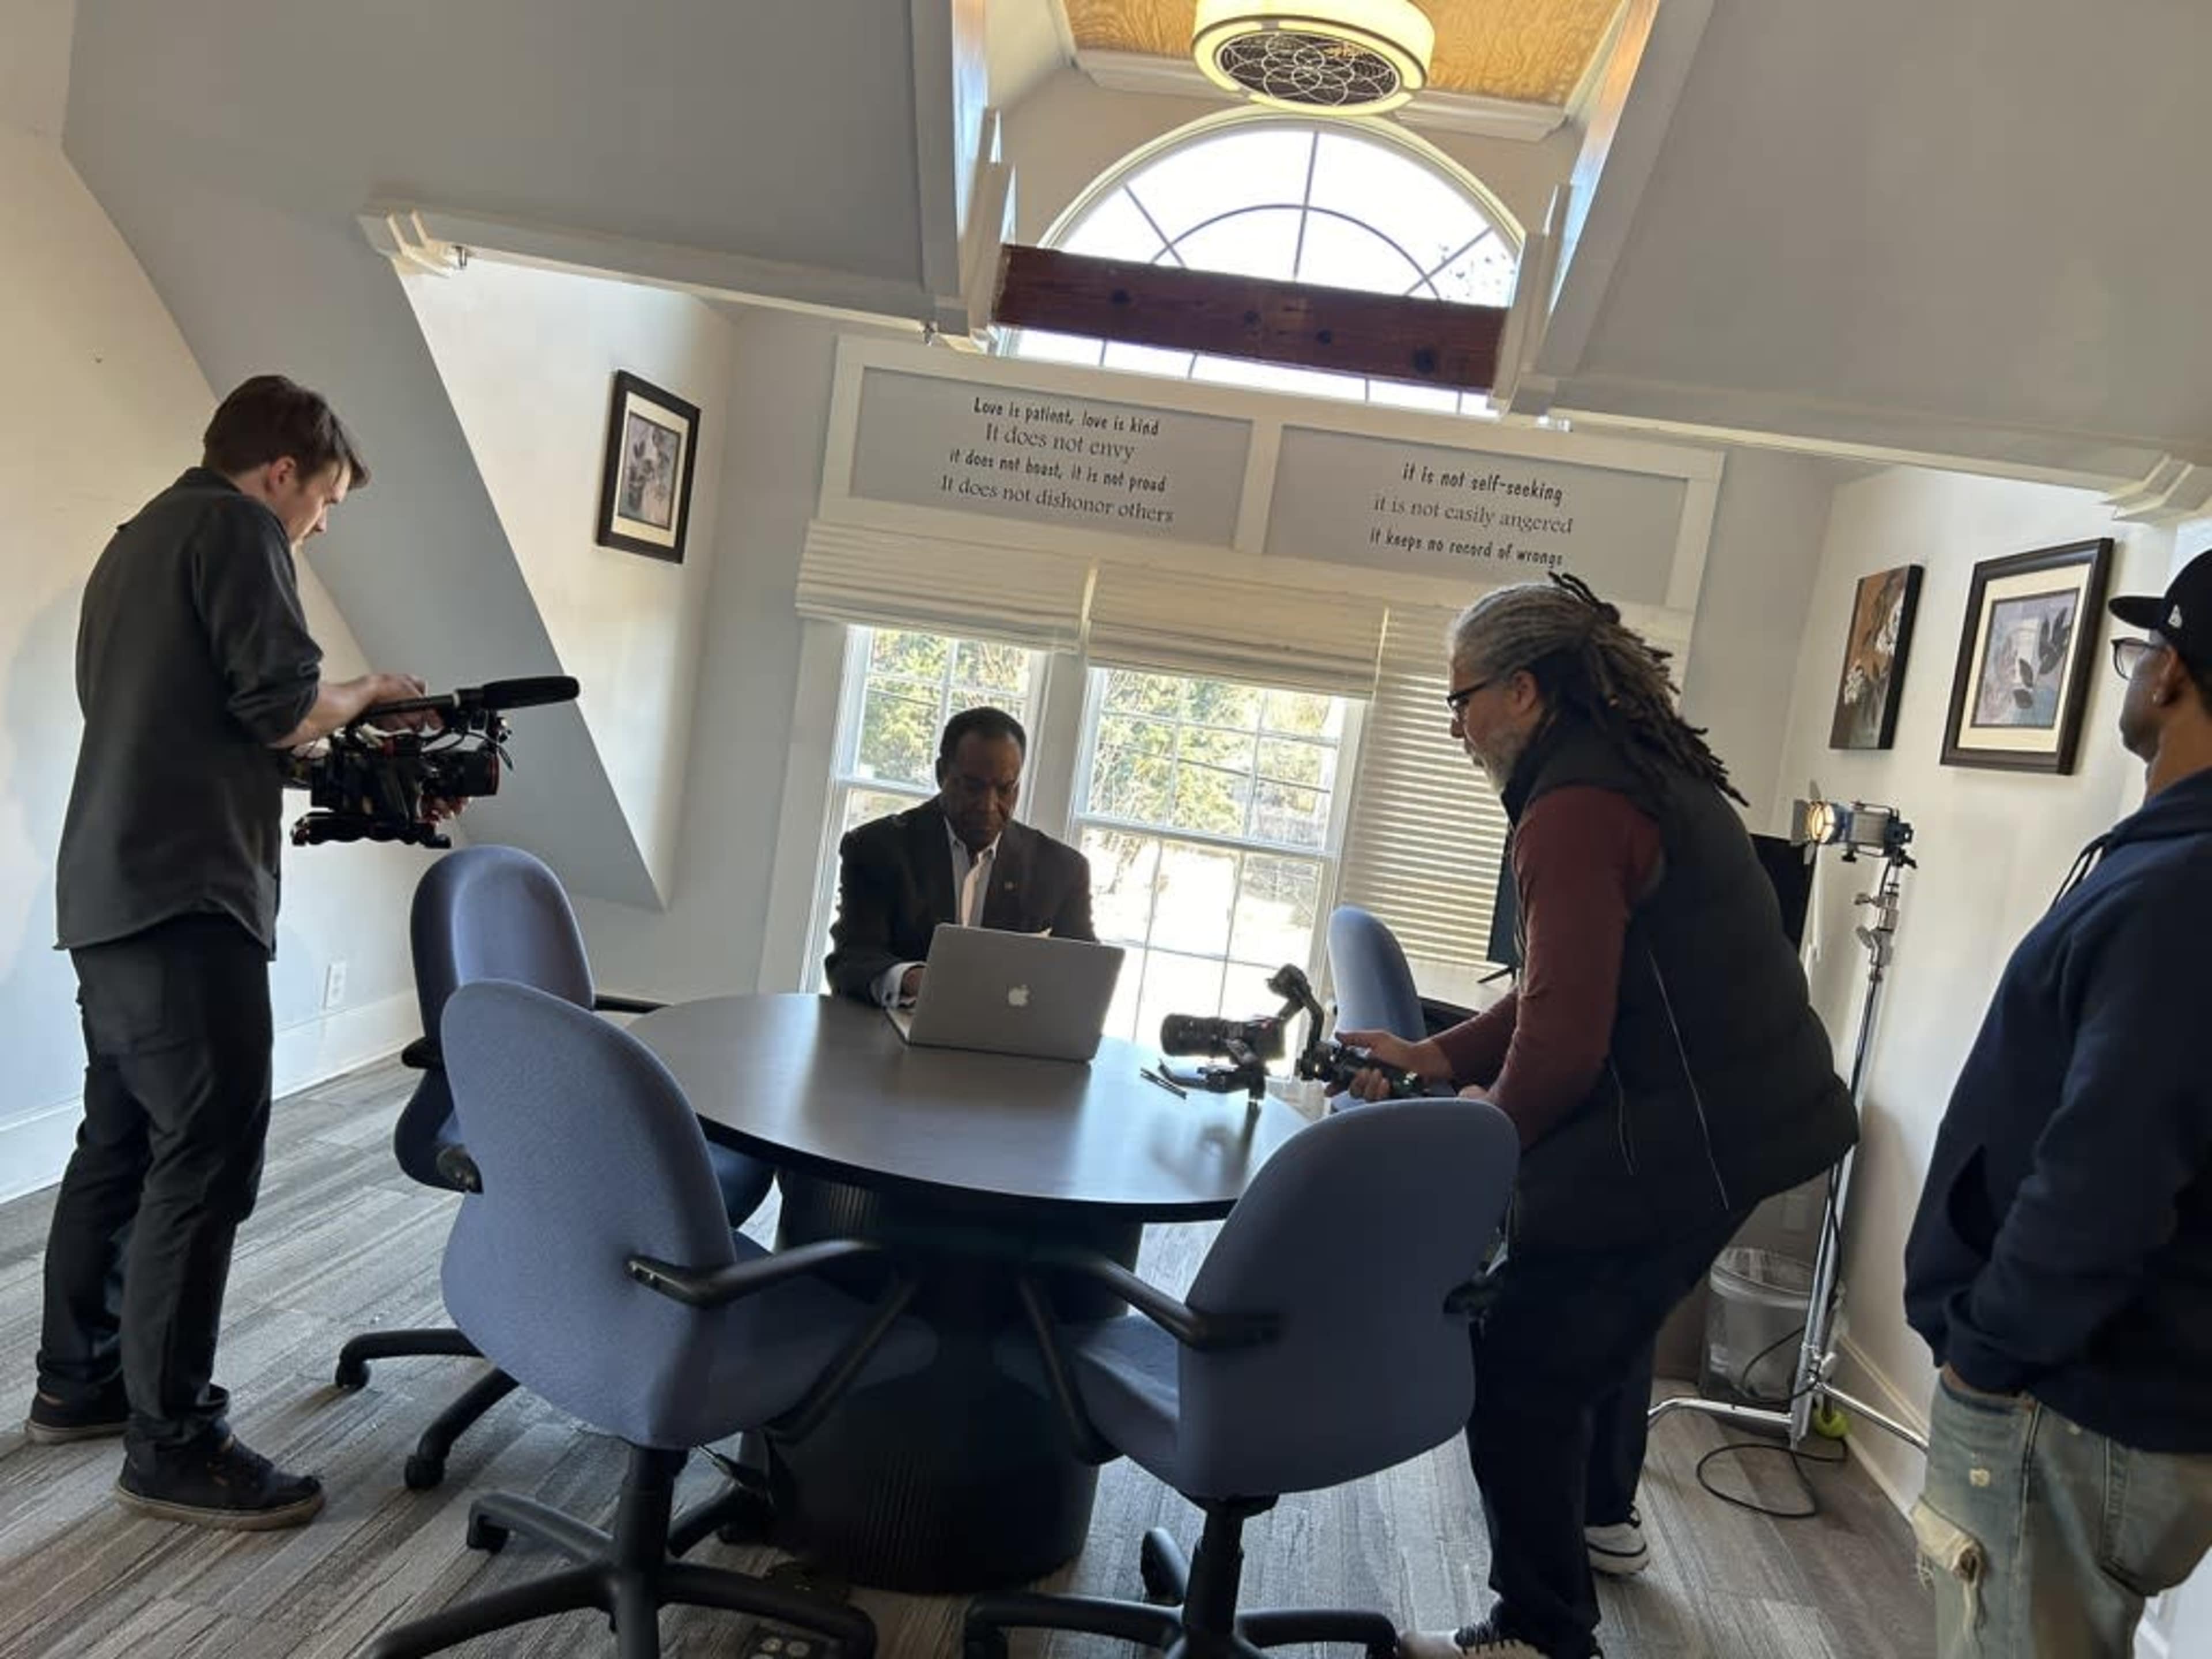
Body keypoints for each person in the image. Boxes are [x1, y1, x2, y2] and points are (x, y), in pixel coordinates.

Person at [1341, 574, 1857, 1659]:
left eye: (1462, 698)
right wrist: (1437, 1057)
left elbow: (1563, 1047)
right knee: (1565, 1340)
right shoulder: (1633, 769)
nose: (1455, 725)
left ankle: (1541, 1633)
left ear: (1524, 691)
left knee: (1520, 1365)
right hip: (1754, 1116)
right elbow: (1558, 988)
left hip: (1697, 1133)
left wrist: (1475, 1159)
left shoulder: (1573, 809)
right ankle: (1580, 1559)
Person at [26, 375, 431, 1529]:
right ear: (281, 472)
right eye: (326, 501)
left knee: (120, 1142)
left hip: (111, 889)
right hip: (191, 898)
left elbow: (206, 721)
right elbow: (283, 706)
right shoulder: (240, 529)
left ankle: (78, 1381)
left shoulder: (136, 543)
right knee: (205, 1161)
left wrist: (354, 766)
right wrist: (368, 692)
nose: (321, 525)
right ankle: (173, 1445)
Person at [1903, 550, 2212, 1658]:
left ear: (2170, 674)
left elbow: (2108, 1174)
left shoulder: (2184, 891)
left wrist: (1986, 1358)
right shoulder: (2168, 866)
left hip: (2068, 1401)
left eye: (2143, 650)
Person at [824, 706, 1096, 1005]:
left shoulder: (1061, 870)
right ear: (942, 774)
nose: (988, 805)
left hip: (1013, 1031)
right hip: (898, 1027)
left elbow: (1088, 976)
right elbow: (851, 961)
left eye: (1005, 789)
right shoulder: (877, 849)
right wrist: (912, 978)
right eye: (973, 787)